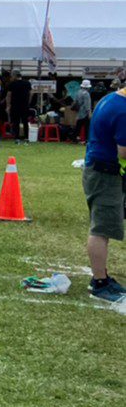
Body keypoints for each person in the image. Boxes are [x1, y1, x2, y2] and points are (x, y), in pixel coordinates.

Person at [81, 72, 126, 305]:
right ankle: (99, 282)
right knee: (101, 228)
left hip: (102, 170)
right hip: (105, 174)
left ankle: (103, 276)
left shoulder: (113, 99)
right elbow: (124, 152)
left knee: (105, 226)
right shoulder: (123, 110)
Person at [6, 70, 33, 144]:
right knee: (25, 122)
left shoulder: (12, 84)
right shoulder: (27, 83)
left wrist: (8, 105)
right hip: (25, 105)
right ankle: (26, 138)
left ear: (14, 76)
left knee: (16, 122)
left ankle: (17, 139)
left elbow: (8, 95)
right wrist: (28, 102)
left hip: (15, 105)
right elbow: (31, 93)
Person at [76, 79, 95, 145]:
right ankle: (87, 140)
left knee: (78, 126)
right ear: (88, 87)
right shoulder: (86, 94)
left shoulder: (78, 92)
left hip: (79, 112)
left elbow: (76, 102)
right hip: (85, 113)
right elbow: (88, 105)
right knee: (87, 127)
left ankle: (76, 139)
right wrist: (89, 114)